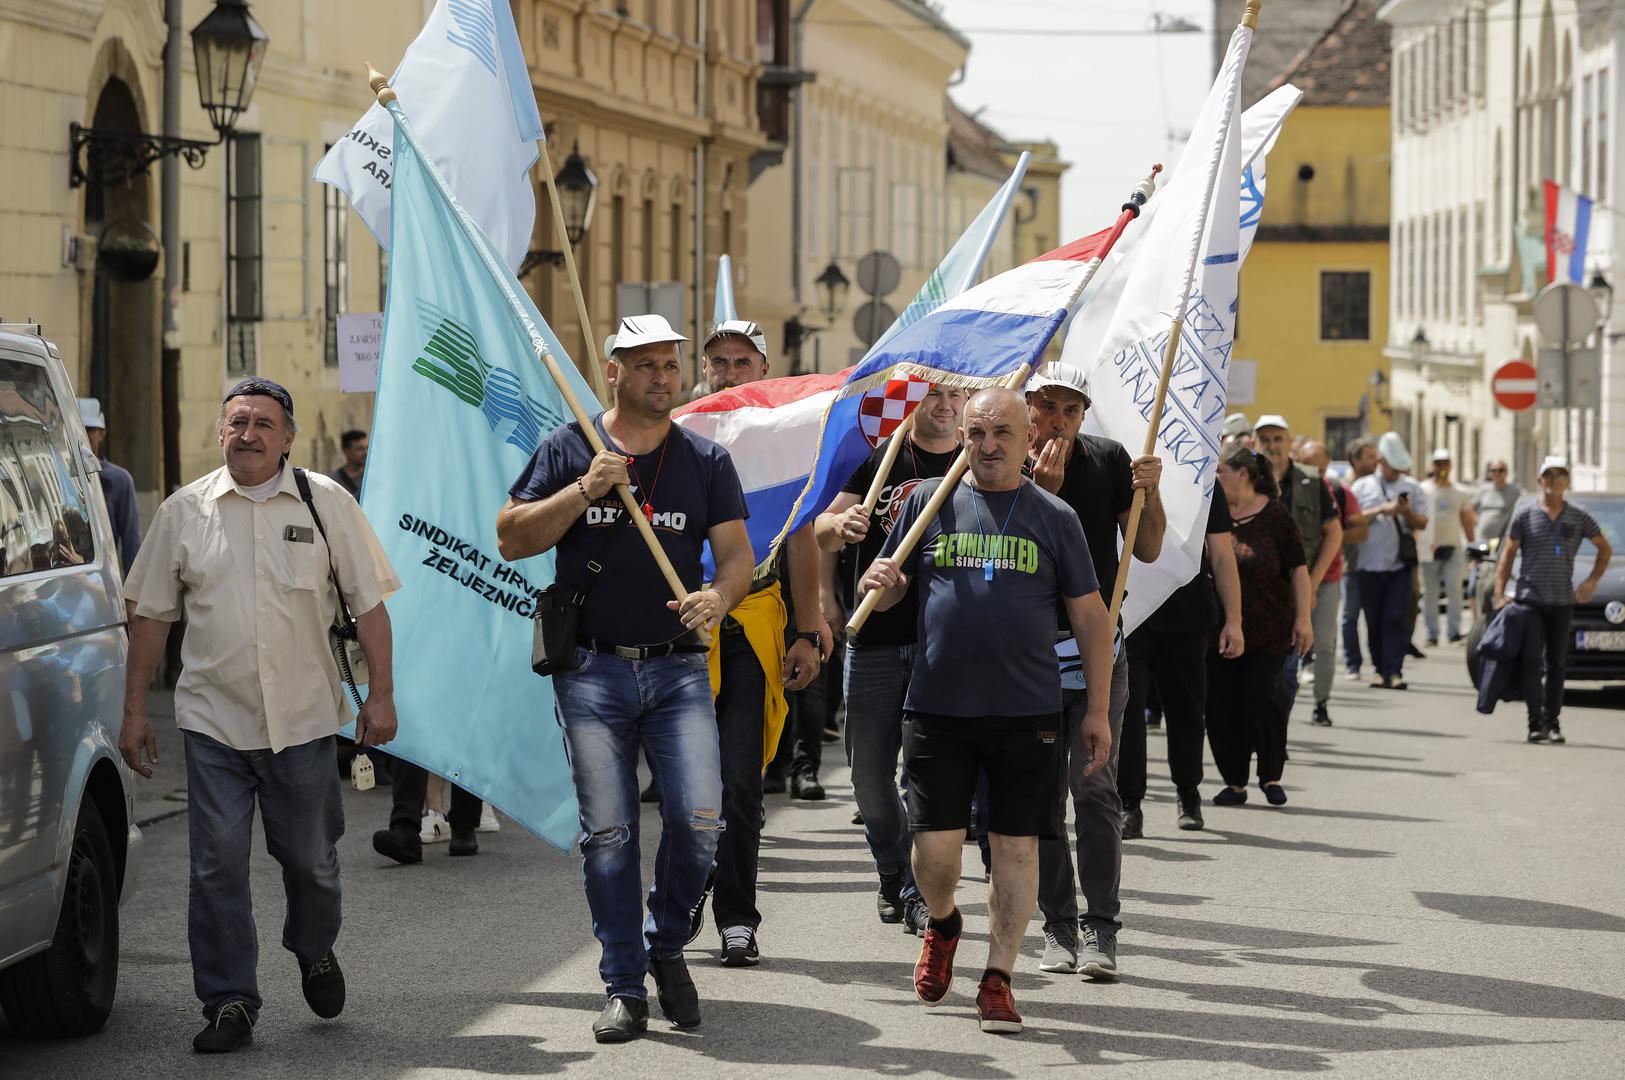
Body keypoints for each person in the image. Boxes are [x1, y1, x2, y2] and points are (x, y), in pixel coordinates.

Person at [118, 378, 400, 1054]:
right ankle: (229, 1002)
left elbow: (369, 607)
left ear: (288, 439)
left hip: (303, 722)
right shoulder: (185, 511)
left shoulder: (324, 502)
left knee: (311, 863)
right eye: (237, 421)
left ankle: (313, 947)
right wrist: (134, 711)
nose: (248, 433)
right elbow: (150, 618)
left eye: (263, 423)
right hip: (213, 721)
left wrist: (382, 695)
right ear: (220, 433)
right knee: (214, 869)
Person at [495, 314, 753, 1043]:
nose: (663, 378)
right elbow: (510, 537)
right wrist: (583, 490)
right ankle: (622, 984)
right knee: (608, 833)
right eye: (645, 365)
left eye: (670, 365)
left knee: (700, 821)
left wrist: (720, 596)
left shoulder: (705, 459)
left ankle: (666, 947)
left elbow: (734, 555)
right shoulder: (569, 444)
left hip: (677, 668)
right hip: (592, 671)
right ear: (611, 371)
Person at [860, 387, 1113, 1035]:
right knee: (934, 855)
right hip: (938, 706)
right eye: (976, 434)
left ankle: (998, 976)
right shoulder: (927, 502)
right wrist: (879, 587)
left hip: (1026, 713)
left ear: (1028, 439)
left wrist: (1098, 711)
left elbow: (1090, 617)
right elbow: (891, 599)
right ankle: (943, 923)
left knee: (1015, 848)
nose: (988, 445)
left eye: (1002, 432)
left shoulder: (1054, 516)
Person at [686, 319, 826, 968]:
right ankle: (687, 887)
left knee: (741, 779)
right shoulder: (678, 430)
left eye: (742, 361)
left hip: (755, 624)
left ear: (764, 368)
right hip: (684, 627)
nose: (729, 371)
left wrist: (808, 627)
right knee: (688, 781)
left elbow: (799, 535)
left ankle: (736, 917)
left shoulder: (784, 435)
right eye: (718, 361)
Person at [1021, 363, 1164, 981]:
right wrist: (1042, 492)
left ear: (1085, 417)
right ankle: (1058, 926)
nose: (1056, 422)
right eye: (1047, 407)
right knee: (1041, 800)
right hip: (1026, 655)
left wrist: (1149, 494)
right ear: (1028, 406)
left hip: (1098, 651)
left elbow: (1149, 546)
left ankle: (1101, 929)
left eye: (1070, 411)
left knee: (1096, 789)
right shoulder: (1000, 461)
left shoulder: (1106, 459)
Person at [815, 382, 968, 935]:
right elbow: (823, 530)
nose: (946, 406)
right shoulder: (883, 455)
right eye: (936, 395)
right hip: (875, 640)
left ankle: (916, 890)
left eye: (957, 396)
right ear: (915, 400)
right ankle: (891, 870)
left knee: (924, 778)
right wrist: (841, 526)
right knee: (868, 779)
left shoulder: (976, 463)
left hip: (943, 646)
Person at [1120, 487, 1244, 832]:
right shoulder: (1124, 473)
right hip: (1132, 614)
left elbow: (1221, 554)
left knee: (1186, 712)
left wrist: (1234, 620)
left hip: (1186, 618)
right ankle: (1129, 804)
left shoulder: (1204, 482)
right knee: (1127, 713)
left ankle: (1188, 794)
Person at [1206, 444, 1312, 807]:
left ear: (1243, 474)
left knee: (1262, 699)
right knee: (1221, 706)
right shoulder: (1209, 512)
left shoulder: (1276, 516)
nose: (1214, 478)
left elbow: (1298, 569)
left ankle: (1270, 775)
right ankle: (1234, 782)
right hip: (1217, 630)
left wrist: (1304, 618)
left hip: (1270, 629)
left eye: (1220, 472)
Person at [1493, 456, 1612, 744]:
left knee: (1557, 662)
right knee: (1532, 661)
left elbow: (1604, 549)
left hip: (1561, 600)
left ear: (1567, 482)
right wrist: (1499, 592)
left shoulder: (1579, 516)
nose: (1554, 481)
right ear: (1540, 480)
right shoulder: (1525, 514)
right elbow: (1508, 555)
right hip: (1530, 599)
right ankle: (1535, 724)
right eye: (1549, 475)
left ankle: (1553, 722)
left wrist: (1592, 580)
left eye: (1560, 476)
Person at [1254, 417, 1342, 727]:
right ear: (1255, 443)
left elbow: (1334, 532)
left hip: (1298, 584)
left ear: (1291, 443)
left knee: (1289, 667)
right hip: (1256, 587)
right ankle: (1260, 730)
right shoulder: (1242, 477)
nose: (1272, 445)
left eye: (1278, 439)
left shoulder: (1311, 481)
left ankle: (1277, 731)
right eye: (1265, 439)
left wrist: (1313, 584)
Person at [1349, 432, 1429, 689]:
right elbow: (1352, 519)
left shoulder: (1412, 487)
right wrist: (1382, 510)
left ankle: (1394, 671)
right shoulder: (1361, 488)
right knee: (1373, 619)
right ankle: (1379, 669)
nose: (1397, 472)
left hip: (1399, 565)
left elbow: (1423, 522)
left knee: (1395, 617)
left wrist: (1406, 513)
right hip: (1367, 564)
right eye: (1393, 466)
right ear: (1381, 462)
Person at [77, 397, 141, 574]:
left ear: (102, 433)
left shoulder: (120, 480)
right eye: (78, 429)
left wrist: (132, 594)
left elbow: (131, 542)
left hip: (104, 580)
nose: (83, 435)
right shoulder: (57, 476)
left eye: (89, 430)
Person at [1420, 448, 1476, 645]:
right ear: (1433, 466)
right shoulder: (1423, 489)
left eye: (1445, 463)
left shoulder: (1460, 492)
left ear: (1450, 466)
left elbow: (1467, 521)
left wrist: (1473, 546)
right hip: (1430, 549)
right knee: (1430, 592)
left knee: (1454, 590)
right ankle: (1431, 633)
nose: (1442, 467)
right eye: (1438, 464)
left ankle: (1453, 631)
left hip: (1452, 547)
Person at [1340, 436, 1379, 680]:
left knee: (1375, 617)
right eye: (1369, 456)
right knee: (1350, 616)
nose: (1375, 461)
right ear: (1355, 460)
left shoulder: (1379, 484)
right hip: (1352, 562)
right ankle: (1353, 663)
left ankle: (1379, 664)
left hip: (1376, 562)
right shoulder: (1344, 487)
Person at [1473, 459, 1523, 545]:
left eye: (1500, 470)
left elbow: (1521, 511)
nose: (1497, 473)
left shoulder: (1515, 491)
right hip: (1482, 538)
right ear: (1489, 473)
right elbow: (1471, 508)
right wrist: (1477, 521)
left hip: (1503, 540)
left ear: (1506, 472)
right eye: (1493, 470)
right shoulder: (1483, 489)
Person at [330, 429, 367, 499]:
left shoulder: (374, 476)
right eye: (360, 449)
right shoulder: (333, 481)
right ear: (346, 450)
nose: (366, 452)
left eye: (367, 448)